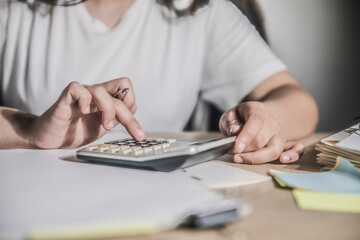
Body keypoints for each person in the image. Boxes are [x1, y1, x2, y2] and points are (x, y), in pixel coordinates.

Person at [0, 0, 318, 165]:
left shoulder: (201, 12)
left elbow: (298, 103)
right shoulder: (13, 9)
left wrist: (263, 119)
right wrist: (26, 131)